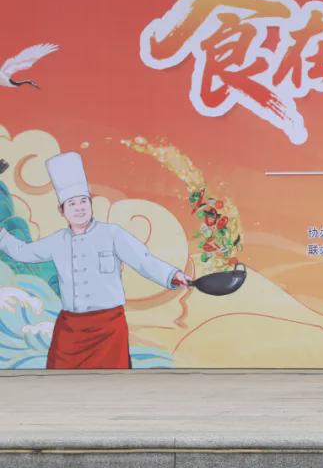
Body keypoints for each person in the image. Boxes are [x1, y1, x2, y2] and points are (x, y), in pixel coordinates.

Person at [0, 152, 191, 369]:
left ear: (91, 203)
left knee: (111, 383)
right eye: (72, 204)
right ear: (62, 210)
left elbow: (144, 260)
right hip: (71, 328)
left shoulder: (112, 234)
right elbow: (23, 252)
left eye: (84, 201)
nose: (79, 208)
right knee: (58, 380)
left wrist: (172, 275)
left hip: (108, 326)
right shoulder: (57, 241)